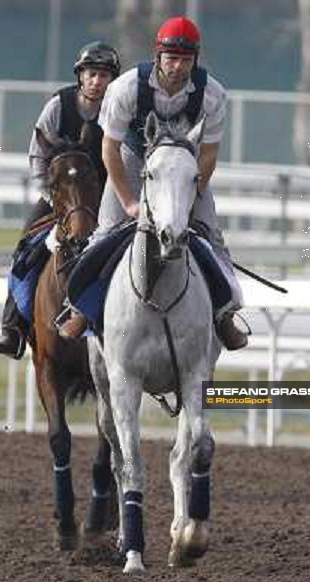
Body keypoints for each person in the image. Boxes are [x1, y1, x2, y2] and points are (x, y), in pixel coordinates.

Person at [96, 16, 248, 350]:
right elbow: (109, 148)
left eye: (186, 60)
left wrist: (189, 198)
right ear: (158, 55)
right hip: (134, 162)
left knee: (211, 235)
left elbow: (208, 155)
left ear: (196, 59)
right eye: (172, 58)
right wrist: (128, 202)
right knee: (103, 233)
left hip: (184, 170)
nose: (178, 66)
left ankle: (224, 313)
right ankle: (83, 308)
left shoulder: (213, 94)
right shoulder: (124, 88)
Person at [0, 41, 121, 359]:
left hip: (104, 197)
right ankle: (12, 326)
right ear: (80, 76)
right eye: (91, 74)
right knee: (25, 248)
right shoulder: (58, 105)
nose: (97, 81)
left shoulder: (119, 109)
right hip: (60, 195)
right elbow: (38, 154)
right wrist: (54, 196)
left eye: (104, 76)